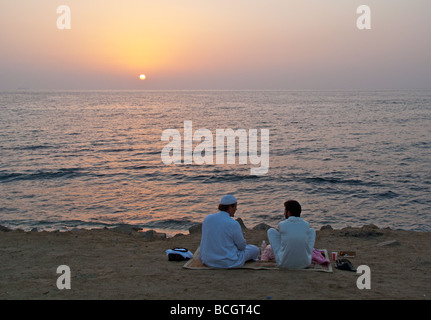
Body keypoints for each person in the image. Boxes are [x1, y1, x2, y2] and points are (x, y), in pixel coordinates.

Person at [199, 195, 259, 268]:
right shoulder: (233, 223)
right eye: (235, 207)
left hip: (208, 260)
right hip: (227, 262)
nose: (236, 209)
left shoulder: (208, 218)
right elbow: (242, 247)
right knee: (254, 249)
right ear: (230, 208)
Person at [267, 200, 315, 269]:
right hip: (305, 263)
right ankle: (307, 255)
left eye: (285, 211)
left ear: (288, 213)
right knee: (312, 231)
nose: (284, 213)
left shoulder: (282, 224)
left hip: (283, 264)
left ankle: (284, 255)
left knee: (270, 231)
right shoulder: (306, 224)